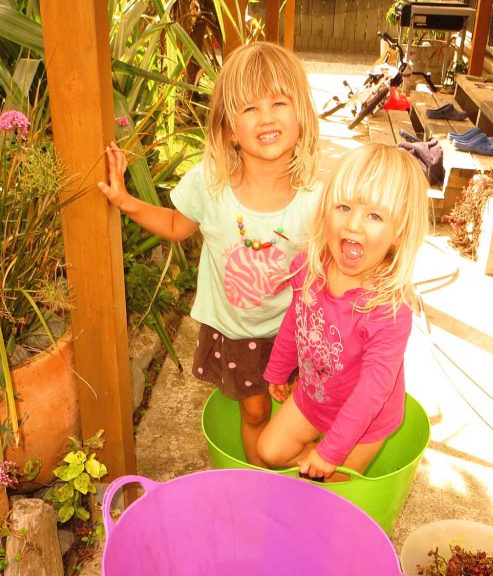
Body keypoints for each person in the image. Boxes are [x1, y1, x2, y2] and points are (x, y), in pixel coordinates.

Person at [97, 42, 319, 467]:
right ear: (230, 129)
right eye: (249, 108)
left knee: (302, 411)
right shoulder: (210, 184)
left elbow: (332, 269)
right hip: (237, 334)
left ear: (301, 117)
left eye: (279, 102)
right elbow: (177, 226)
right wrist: (125, 201)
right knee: (254, 411)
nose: (267, 116)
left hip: (294, 332)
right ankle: (262, 478)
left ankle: (295, 467)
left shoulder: (317, 200)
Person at [257, 143, 430, 482]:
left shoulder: (388, 311)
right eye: (344, 206)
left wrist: (330, 452)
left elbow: (371, 393)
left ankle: (324, 468)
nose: (354, 225)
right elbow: (295, 323)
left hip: (366, 420)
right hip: (315, 396)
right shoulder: (309, 269)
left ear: (399, 234)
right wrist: (278, 370)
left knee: (330, 486)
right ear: (325, 211)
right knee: (269, 451)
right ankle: (312, 458)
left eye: (375, 216)